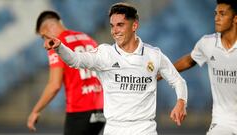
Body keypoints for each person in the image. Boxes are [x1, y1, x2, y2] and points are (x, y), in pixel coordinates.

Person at [44, 3, 188, 135]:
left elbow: (178, 81)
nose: (115, 31)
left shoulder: (154, 55)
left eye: (120, 25)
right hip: (114, 129)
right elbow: (76, 60)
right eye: (112, 26)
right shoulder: (105, 54)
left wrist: (181, 102)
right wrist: (60, 47)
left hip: (144, 129)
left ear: (134, 26)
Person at [159, 0, 237, 134]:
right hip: (222, 122)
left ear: (235, 19)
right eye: (215, 14)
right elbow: (189, 61)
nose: (217, 18)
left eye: (222, 14)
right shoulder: (208, 43)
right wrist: (161, 74)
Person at [27, 11, 105, 135]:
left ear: (51, 27)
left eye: (43, 37)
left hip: (80, 111)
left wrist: (35, 111)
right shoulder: (87, 38)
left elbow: (54, 85)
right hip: (101, 110)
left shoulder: (57, 44)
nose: (44, 43)